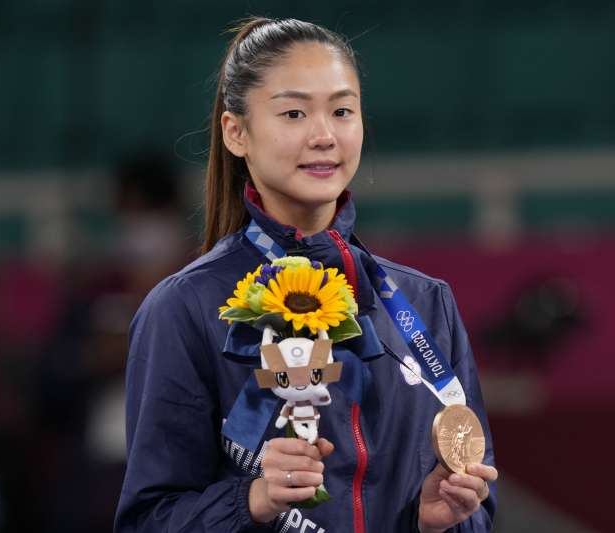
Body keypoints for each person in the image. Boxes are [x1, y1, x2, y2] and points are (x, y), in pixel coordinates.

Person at [115, 17, 498, 533]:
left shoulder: (426, 305)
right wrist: (251, 501)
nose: (324, 135)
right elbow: (148, 521)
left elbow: (479, 509)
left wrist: (435, 522)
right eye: (294, 113)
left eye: (342, 110)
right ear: (236, 133)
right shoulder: (183, 309)